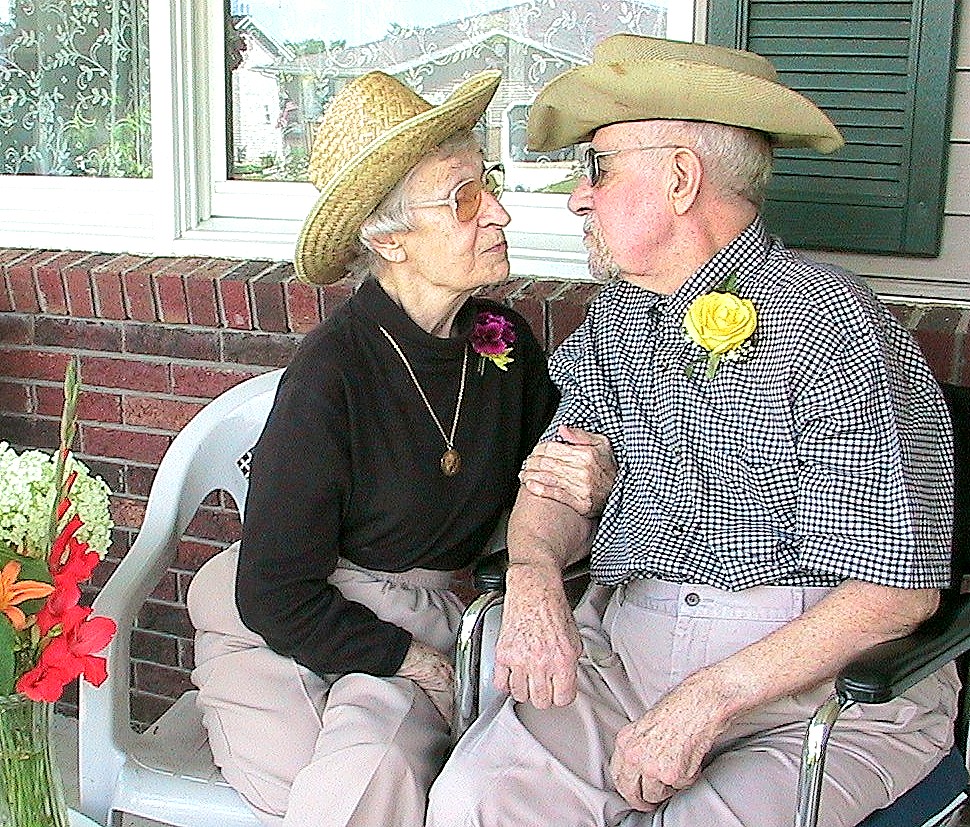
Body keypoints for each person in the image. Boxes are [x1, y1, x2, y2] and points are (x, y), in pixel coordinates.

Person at [426, 34, 958, 827]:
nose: (577, 197)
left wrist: (708, 697)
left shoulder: (833, 326)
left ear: (679, 180)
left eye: (597, 168)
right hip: (630, 651)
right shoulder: (617, 319)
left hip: (809, 688)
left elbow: (895, 593)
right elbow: (553, 481)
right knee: (477, 797)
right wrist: (536, 571)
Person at [185, 70, 614, 827]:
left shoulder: (500, 343)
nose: (501, 213)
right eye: (463, 199)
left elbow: (548, 477)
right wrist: (414, 660)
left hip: (411, 608)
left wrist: (588, 477)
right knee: (340, 796)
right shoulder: (332, 375)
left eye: (490, 184)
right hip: (280, 612)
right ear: (389, 239)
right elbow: (274, 589)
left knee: (362, 779)